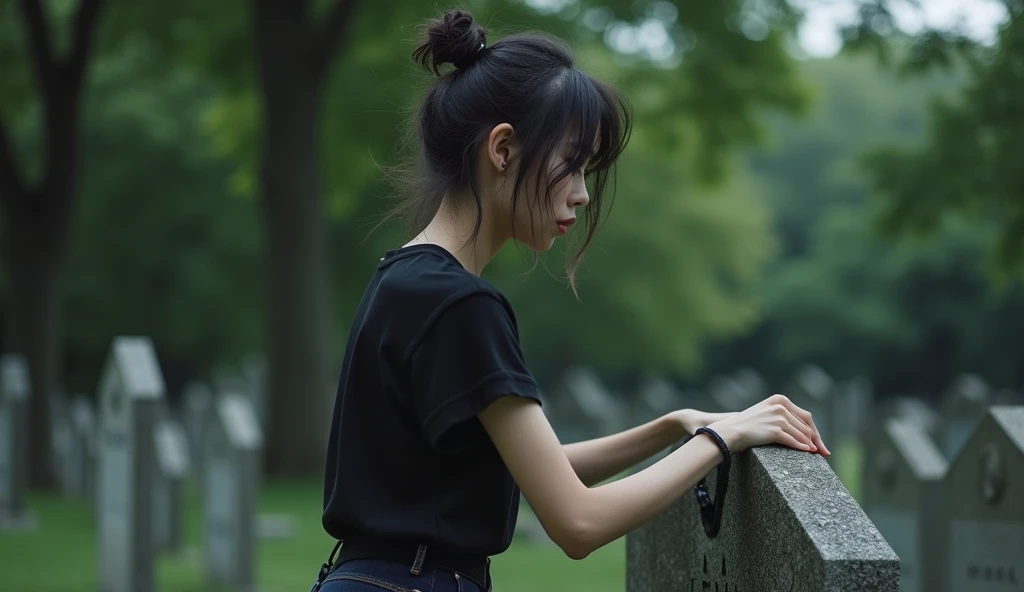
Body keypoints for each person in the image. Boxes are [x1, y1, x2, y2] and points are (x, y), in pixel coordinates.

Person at [314, 8, 829, 592]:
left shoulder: (402, 278)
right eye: (573, 164)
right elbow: (577, 522)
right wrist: (724, 439)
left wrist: (673, 426)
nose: (583, 194)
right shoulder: (461, 305)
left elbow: (531, 470)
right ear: (503, 149)